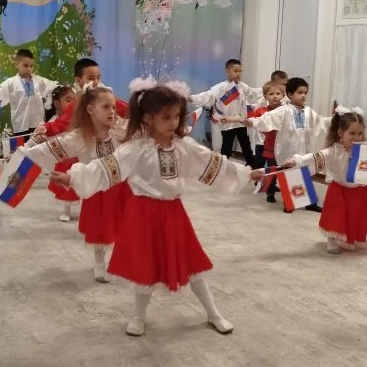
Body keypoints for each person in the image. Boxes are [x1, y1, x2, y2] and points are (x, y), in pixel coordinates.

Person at [51, 80, 256, 337]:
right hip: (143, 213)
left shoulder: (184, 146)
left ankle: (213, 313)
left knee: (192, 264)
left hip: (174, 213)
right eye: (166, 117)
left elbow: (212, 162)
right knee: (145, 267)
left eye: (176, 116)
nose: (173, 122)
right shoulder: (136, 148)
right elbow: (107, 167)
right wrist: (73, 177)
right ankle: (138, 317)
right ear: (148, 118)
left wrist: (245, 173)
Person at [24, 86, 129, 282]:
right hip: (96, 191)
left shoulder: (121, 129)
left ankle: (122, 260)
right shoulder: (80, 137)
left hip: (122, 188)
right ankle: (100, 264)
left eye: (114, 107)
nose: (112, 111)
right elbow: (51, 149)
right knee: (100, 229)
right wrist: (23, 155)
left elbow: (144, 132)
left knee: (123, 226)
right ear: (90, 109)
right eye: (106, 107)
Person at [274, 107, 367, 253]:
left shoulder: (365, 150)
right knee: (335, 217)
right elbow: (314, 158)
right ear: (341, 133)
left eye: (360, 133)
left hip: (362, 191)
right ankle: (331, 240)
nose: (357, 137)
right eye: (352, 133)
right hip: (340, 191)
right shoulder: (333, 152)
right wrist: (296, 161)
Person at [248, 77, 329, 213]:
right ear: (290, 94)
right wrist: (252, 122)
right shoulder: (284, 110)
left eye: (305, 93)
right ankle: (289, 202)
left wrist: (336, 119)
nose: (303, 95)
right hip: (288, 151)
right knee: (289, 175)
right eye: (300, 92)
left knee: (305, 174)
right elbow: (267, 119)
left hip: (304, 150)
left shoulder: (308, 111)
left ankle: (310, 203)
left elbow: (321, 122)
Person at [190, 59, 258, 168]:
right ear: (227, 71)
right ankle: (220, 168)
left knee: (246, 145)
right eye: (235, 71)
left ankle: (252, 166)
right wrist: (192, 98)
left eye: (240, 71)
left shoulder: (242, 86)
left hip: (240, 121)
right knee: (227, 147)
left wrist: (266, 90)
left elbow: (253, 92)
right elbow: (208, 95)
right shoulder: (221, 87)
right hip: (227, 123)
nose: (238, 73)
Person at [226, 81, 285, 203]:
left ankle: (291, 195)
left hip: (286, 147)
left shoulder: (287, 110)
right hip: (270, 147)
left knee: (287, 171)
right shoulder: (261, 111)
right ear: (265, 97)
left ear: (283, 95)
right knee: (272, 170)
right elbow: (251, 119)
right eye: (271, 94)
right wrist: (243, 121)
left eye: (278, 93)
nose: (275, 96)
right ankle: (270, 193)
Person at [0, 49, 58, 137]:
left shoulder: (38, 80)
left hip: (38, 124)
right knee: (21, 145)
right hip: (20, 126)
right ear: (17, 64)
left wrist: (65, 91)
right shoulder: (11, 83)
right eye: (25, 65)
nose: (29, 69)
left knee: (37, 145)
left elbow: (53, 86)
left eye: (31, 66)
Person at [43, 84, 79, 222]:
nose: (72, 104)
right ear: (57, 103)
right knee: (66, 187)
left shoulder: (78, 116)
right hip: (65, 156)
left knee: (84, 182)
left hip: (80, 154)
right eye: (68, 100)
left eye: (74, 100)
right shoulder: (53, 121)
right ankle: (66, 210)